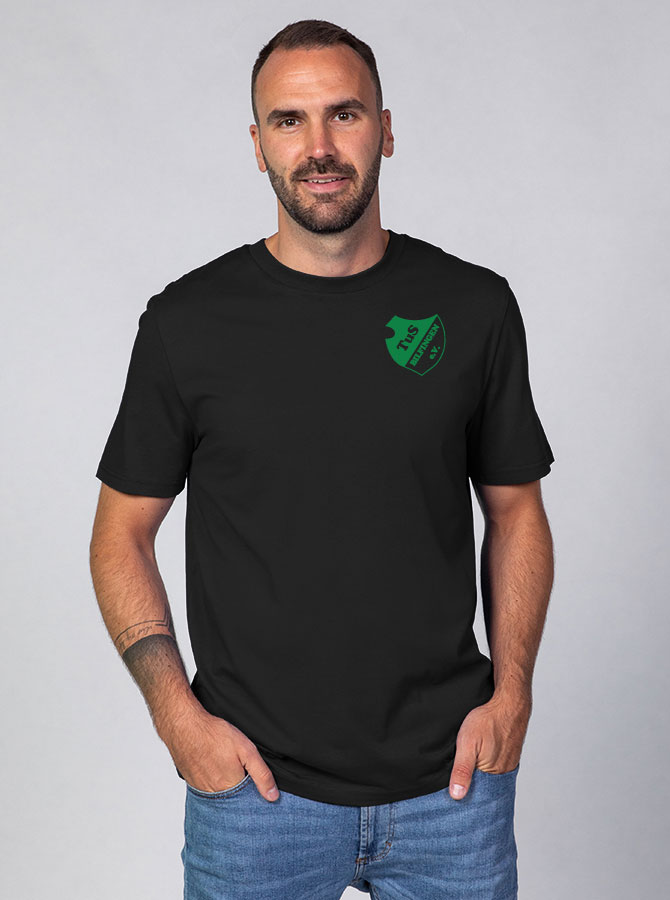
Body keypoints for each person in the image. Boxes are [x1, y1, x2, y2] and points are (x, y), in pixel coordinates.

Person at [89, 18, 555, 900]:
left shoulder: (473, 307)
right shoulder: (188, 325)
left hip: (451, 790)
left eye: (344, 114)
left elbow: (515, 511)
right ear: (257, 144)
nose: (319, 147)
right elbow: (119, 534)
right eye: (288, 120)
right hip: (255, 796)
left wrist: (513, 697)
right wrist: (177, 719)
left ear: (386, 129)